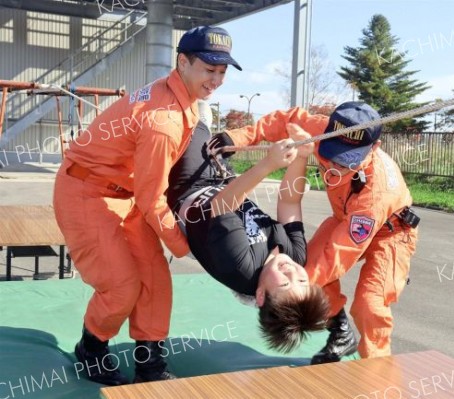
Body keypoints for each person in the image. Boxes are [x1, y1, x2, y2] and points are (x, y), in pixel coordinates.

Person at [53, 26, 241, 385]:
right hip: (86, 191)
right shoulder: (164, 119)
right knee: (122, 285)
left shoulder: (179, 96)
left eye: (222, 72)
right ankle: (91, 348)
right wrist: (185, 245)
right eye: (208, 69)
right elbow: (152, 199)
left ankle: (149, 363)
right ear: (183, 62)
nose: (216, 79)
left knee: (156, 279)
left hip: (127, 192)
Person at [219, 101, 419, 363]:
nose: (337, 165)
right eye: (333, 153)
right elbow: (284, 119)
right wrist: (236, 137)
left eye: (348, 160)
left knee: (369, 304)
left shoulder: (377, 193)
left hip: (390, 234)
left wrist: (288, 289)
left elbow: (339, 253)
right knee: (306, 264)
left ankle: (377, 369)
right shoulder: (326, 128)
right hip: (343, 219)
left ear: (374, 148)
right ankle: (340, 331)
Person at [167, 121, 329, 353]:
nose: (292, 271)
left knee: (191, 126)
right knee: (199, 127)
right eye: (303, 280)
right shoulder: (296, 257)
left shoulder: (239, 268)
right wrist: (302, 157)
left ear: (261, 295)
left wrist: (268, 165)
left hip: (190, 188)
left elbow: (221, 205)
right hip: (223, 180)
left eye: (284, 283)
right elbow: (290, 202)